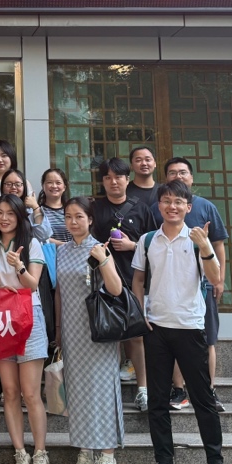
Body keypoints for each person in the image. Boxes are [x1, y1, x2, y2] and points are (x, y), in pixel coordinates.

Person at [131, 180, 232, 464]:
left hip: (190, 327)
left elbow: (214, 278)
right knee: (158, 400)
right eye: (166, 201)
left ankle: (215, 463)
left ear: (188, 207)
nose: (172, 206)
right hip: (156, 328)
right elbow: (138, 280)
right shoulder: (148, 240)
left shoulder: (197, 240)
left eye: (178, 202)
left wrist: (206, 246)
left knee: (202, 398)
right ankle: (164, 461)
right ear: (159, 205)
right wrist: (140, 314)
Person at [54, 196, 125, 464]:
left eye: (79, 217)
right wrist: (58, 330)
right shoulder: (62, 251)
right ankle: (85, 452)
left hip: (98, 330)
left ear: (90, 219)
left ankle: (107, 456)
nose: (73, 222)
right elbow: (59, 293)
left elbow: (116, 289)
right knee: (78, 391)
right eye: (68, 217)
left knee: (103, 390)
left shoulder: (99, 248)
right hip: (72, 331)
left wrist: (104, 259)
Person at [151, 157, 230, 413]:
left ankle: (210, 389)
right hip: (169, 290)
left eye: (183, 172)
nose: (178, 176)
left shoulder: (206, 207)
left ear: (192, 178)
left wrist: (220, 279)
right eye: (172, 173)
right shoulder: (158, 208)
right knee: (174, 336)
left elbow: (218, 245)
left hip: (203, 284)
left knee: (208, 338)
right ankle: (179, 389)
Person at [0, 193, 50, 464]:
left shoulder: (31, 242)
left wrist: (19, 266)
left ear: (21, 216)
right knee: (9, 392)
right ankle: (20, 454)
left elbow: (33, 284)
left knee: (30, 393)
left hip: (29, 319)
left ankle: (41, 454)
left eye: (10, 212)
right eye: (0, 212)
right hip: (2, 321)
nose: (4, 217)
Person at [91, 156, 153, 409]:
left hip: (133, 279)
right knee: (109, 336)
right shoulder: (94, 209)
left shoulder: (142, 209)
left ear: (127, 180)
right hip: (103, 281)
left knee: (136, 336)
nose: (113, 181)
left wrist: (132, 245)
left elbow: (154, 246)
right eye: (107, 177)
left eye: (118, 177)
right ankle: (110, 391)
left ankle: (143, 390)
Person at [2, 168, 52, 242]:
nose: (13, 187)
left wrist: (35, 207)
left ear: (24, 187)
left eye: (18, 184)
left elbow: (43, 235)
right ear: (2, 187)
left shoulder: (30, 211)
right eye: (8, 184)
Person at [36, 168, 71, 244]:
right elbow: (39, 237)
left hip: (72, 251)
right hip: (47, 252)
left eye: (58, 183)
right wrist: (65, 246)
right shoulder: (38, 211)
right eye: (49, 182)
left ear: (64, 187)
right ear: (43, 186)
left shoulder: (71, 210)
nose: (54, 186)